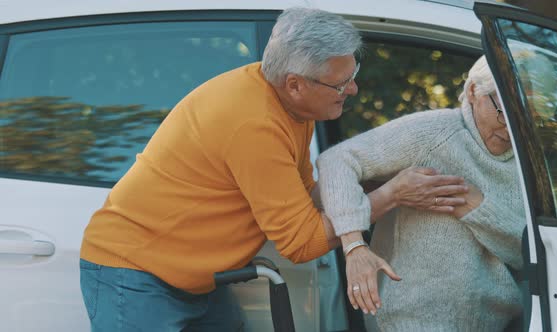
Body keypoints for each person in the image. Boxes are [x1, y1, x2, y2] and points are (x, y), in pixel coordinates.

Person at [78, 7, 469, 331]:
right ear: (296, 84)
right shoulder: (253, 125)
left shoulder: (293, 106)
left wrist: (375, 179)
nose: (352, 90)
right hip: (135, 276)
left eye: (353, 75)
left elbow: (305, 198)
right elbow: (302, 242)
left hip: (193, 280)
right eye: (341, 83)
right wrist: (392, 196)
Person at [317, 55, 527, 331]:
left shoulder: (528, 163)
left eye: (522, 117)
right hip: (409, 322)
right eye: (503, 112)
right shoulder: (434, 132)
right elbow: (337, 161)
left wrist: (479, 208)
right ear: (474, 91)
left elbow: (533, 254)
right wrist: (354, 246)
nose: (511, 129)